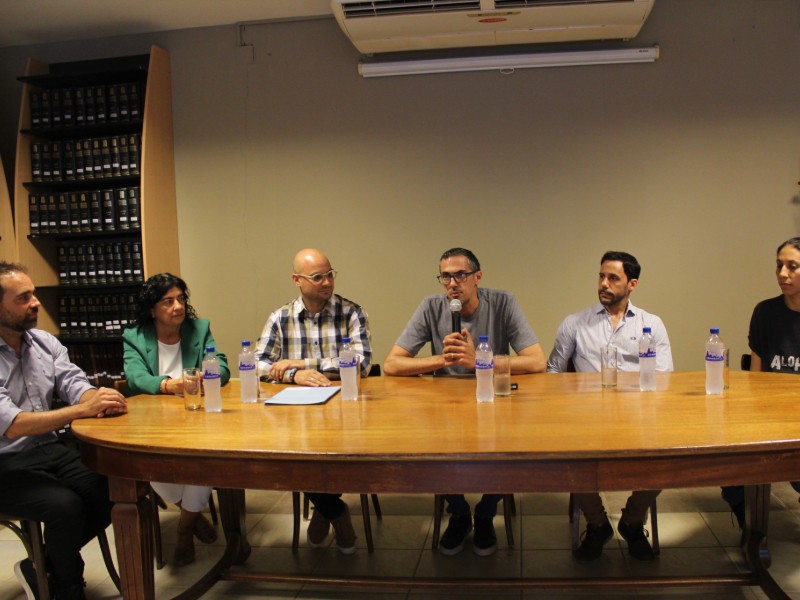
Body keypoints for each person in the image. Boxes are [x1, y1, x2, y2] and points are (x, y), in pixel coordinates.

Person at [383, 247, 546, 556]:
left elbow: (537, 361)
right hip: (447, 405)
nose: (453, 283)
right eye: (445, 277)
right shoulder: (431, 307)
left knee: (511, 445)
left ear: (477, 277)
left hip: (494, 399)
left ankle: (486, 511)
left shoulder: (503, 302)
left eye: (460, 275)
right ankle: (458, 512)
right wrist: (443, 359)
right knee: (426, 447)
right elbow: (392, 364)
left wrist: (480, 361)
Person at [0, 262, 127, 600]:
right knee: (65, 507)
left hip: (47, 448)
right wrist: (81, 410)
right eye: (23, 298)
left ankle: (42, 567)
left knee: (113, 489)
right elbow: (12, 425)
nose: (36, 303)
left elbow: (73, 383)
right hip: (5, 461)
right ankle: (68, 589)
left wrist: (96, 399)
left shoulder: (43, 342)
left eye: (34, 294)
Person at [547, 251, 673, 561]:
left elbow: (665, 378)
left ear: (632, 284)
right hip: (586, 418)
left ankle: (632, 520)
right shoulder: (575, 323)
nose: (604, 283)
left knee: (669, 462)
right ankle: (597, 523)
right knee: (567, 461)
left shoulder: (651, 324)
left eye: (613, 278)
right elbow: (552, 375)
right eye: (601, 276)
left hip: (638, 417)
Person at [255, 248, 372, 554]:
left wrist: (301, 364)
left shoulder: (351, 312)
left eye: (330, 275)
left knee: (342, 454)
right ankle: (334, 510)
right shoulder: (280, 317)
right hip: (297, 415)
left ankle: (323, 509)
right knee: (290, 457)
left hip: (345, 412)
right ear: (297, 280)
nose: (327, 282)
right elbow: (257, 364)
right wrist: (294, 376)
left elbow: (361, 363)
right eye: (318, 277)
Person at [122, 273, 229, 566]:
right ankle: (192, 515)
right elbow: (135, 378)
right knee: (148, 463)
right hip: (153, 422)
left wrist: (206, 375)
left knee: (205, 459)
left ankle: (184, 529)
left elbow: (222, 367)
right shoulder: (134, 336)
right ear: (151, 309)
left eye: (181, 299)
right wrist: (169, 385)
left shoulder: (199, 329)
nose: (178, 306)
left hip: (196, 418)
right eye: (168, 302)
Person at [721, 237, 800, 527]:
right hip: (770, 415)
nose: (783, 274)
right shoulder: (766, 312)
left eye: (792, 266)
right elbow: (755, 377)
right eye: (779, 265)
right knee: (729, 467)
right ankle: (751, 527)